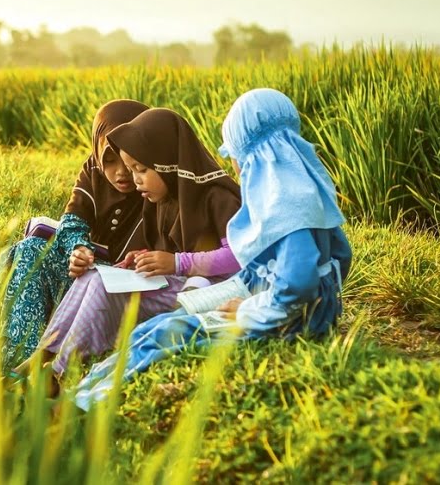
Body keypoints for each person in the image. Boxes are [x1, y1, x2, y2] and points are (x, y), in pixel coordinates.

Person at [72, 88, 353, 411]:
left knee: (164, 336)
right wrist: (326, 302)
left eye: (236, 154)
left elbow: (298, 285)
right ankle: (83, 389)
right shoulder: (303, 194)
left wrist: (248, 310)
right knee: (153, 328)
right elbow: (339, 258)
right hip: (291, 311)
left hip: (283, 322)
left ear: (255, 154)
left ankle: (82, 404)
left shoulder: (287, 208)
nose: (234, 164)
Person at [15, 107, 242, 385]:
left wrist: (178, 263)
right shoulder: (165, 199)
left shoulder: (217, 197)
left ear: (166, 162)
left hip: (208, 295)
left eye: (141, 170)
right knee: (93, 275)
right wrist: (145, 257)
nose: (135, 180)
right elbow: (171, 251)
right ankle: (43, 353)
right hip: (179, 284)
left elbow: (240, 256)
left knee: (104, 285)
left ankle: (59, 372)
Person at [0, 99, 151, 372]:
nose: (121, 172)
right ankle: (19, 355)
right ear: (97, 150)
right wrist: (79, 248)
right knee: (32, 248)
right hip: (87, 274)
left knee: (94, 279)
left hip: (124, 291)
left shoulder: (154, 177)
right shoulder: (93, 171)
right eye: (110, 160)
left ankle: (50, 363)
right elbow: (73, 220)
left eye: (129, 160)